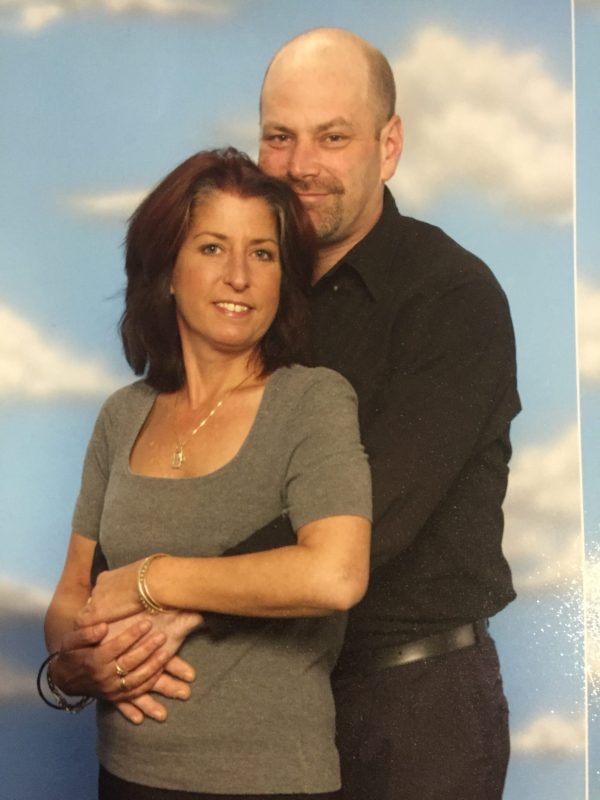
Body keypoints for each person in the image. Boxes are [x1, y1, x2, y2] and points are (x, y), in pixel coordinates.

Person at [55, 26, 519, 800]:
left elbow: (372, 521)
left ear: (389, 145)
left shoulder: (451, 297)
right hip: (259, 703)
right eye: (280, 137)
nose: (302, 164)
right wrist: (92, 641)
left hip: (409, 706)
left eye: (333, 137)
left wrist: (166, 590)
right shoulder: (250, 298)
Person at [42, 147, 372, 799]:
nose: (240, 277)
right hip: (125, 775)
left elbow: (335, 575)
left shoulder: (311, 401)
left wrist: (152, 578)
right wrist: (74, 666)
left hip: (271, 783)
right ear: (167, 269)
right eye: (213, 248)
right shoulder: (121, 415)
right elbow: (74, 591)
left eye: (263, 254)